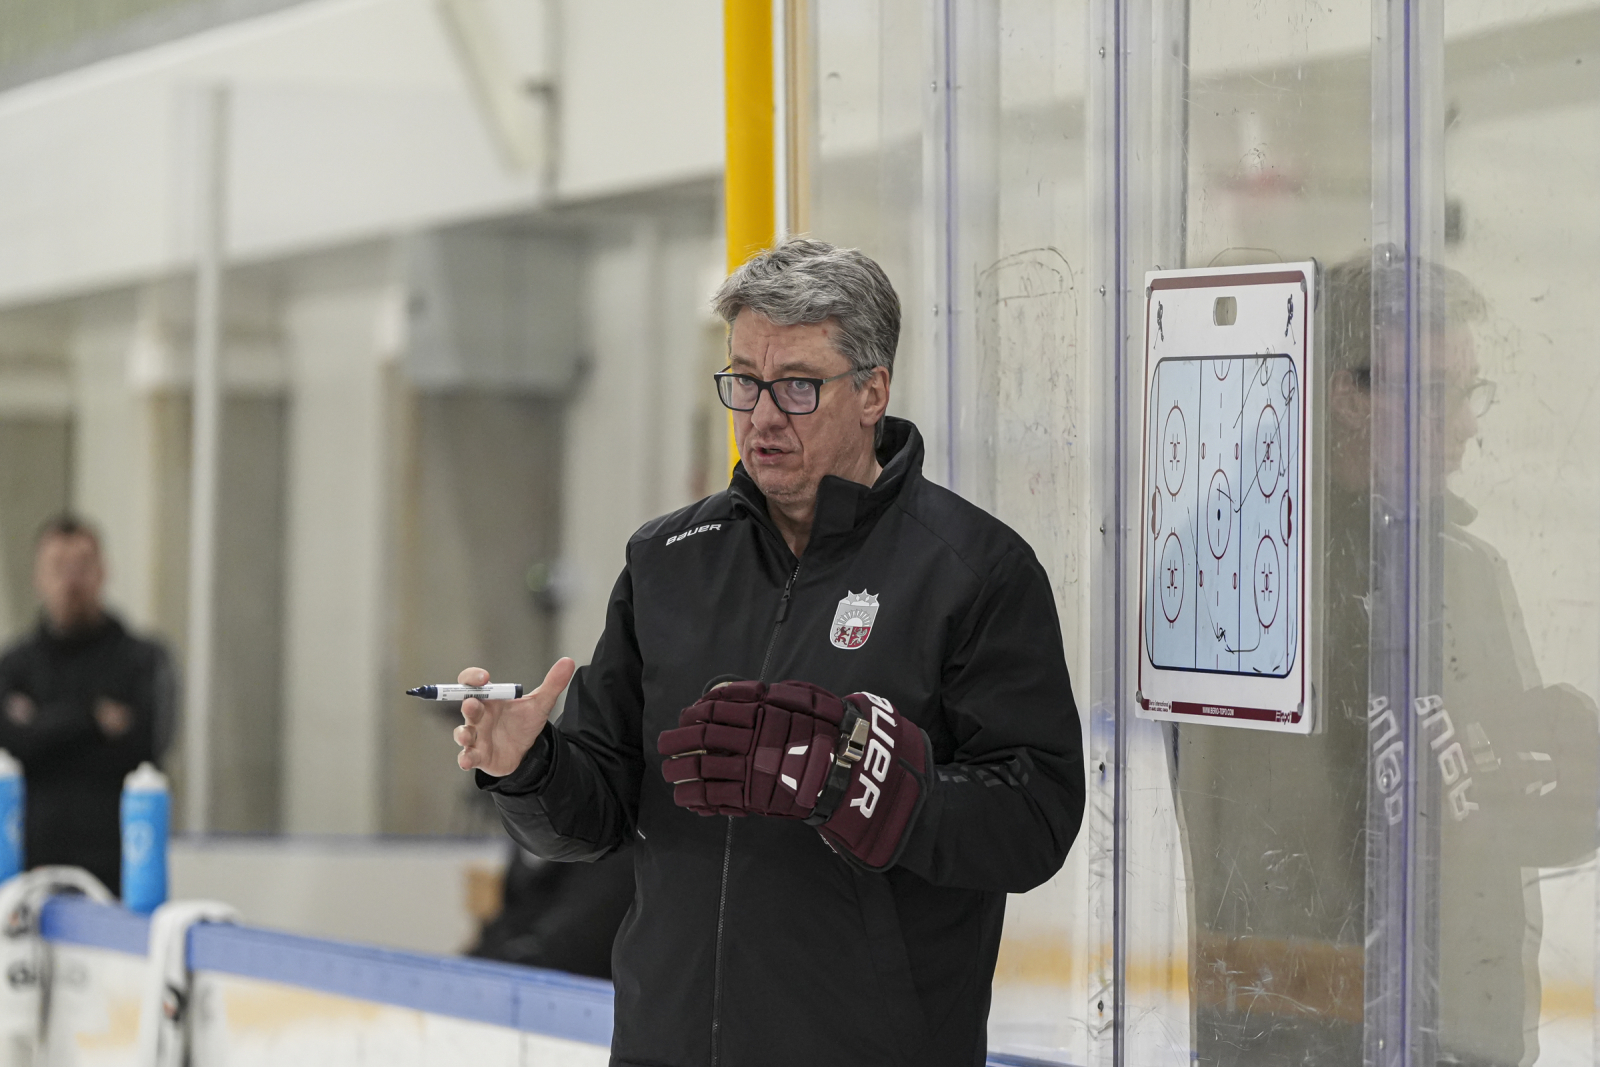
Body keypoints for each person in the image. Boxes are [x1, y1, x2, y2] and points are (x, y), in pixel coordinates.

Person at [451, 238, 1085, 1066]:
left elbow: (1034, 819)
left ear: (872, 391)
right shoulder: (667, 561)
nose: (762, 414)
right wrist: (529, 768)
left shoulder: (973, 573)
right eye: (744, 380)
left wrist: (866, 785)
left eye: (797, 385)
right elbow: (600, 811)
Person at [1174, 255, 1598, 1067]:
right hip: (1314, 1043)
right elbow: (1266, 868)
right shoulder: (1257, 576)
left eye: (1469, 391)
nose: (1465, 424)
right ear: (1348, 396)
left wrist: (1570, 788)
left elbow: (1480, 810)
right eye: (1436, 393)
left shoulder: (1464, 569)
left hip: (1459, 1039)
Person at [0, 515, 176, 896]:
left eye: (82, 566)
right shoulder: (13, 667)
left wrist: (42, 726)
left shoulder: (143, 661)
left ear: (103, 571)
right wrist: (92, 718)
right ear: (37, 577)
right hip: (27, 878)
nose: (71, 581)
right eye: (58, 567)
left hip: (120, 879)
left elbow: (144, 748)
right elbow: (12, 747)